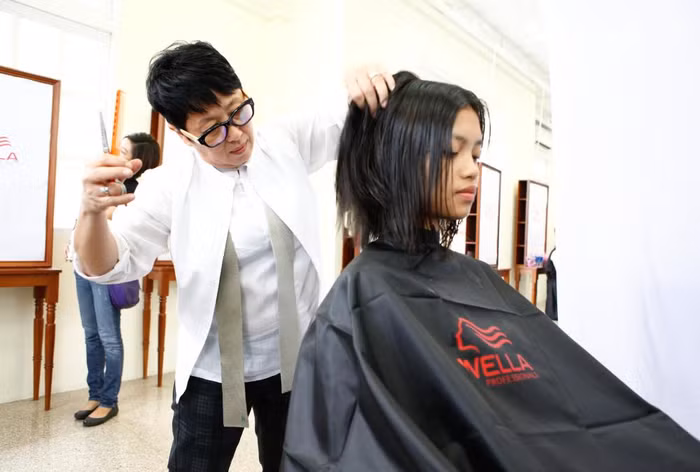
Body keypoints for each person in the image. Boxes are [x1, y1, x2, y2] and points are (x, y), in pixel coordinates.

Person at [281, 72, 700, 471]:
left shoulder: (476, 278)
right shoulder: (362, 294)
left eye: (477, 154)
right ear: (400, 157)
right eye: (452, 151)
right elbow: (334, 450)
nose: (471, 169)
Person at [72, 41, 394, 470]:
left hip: (296, 362)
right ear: (182, 135)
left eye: (238, 110)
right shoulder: (168, 186)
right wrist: (92, 213)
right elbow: (108, 265)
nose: (237, 134)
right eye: (212, 129)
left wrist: (365, 71)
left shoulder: (285, 142)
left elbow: (363, 109)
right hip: (211, 371)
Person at [72, 133, 160, 427]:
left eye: (123, 152)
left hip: (108, 269)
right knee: (91, 334)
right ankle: (95, 394)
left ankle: (109, 400)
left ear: (139, 161)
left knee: (109, 337)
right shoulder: (105, 185)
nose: (116, 156)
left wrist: (102, 205)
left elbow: (111, 220)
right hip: (81, 265)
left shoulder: (137, 194)